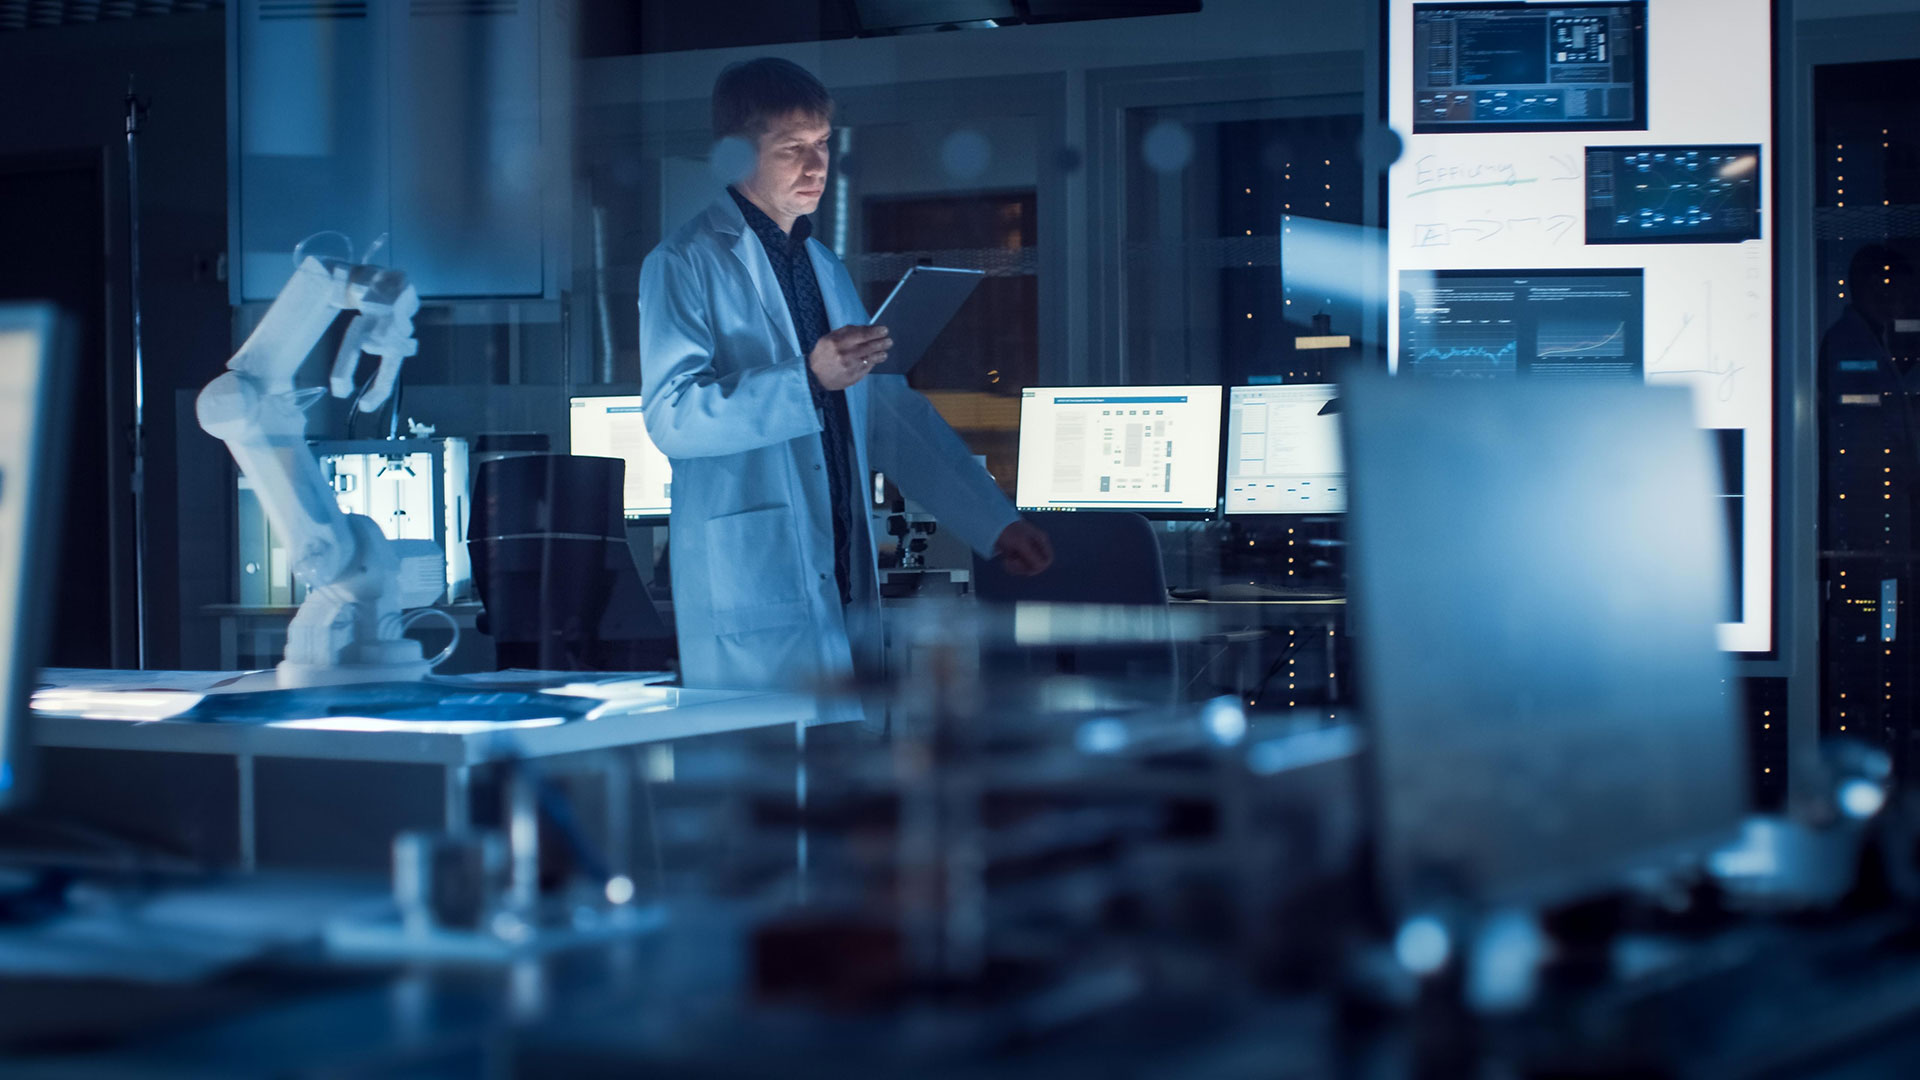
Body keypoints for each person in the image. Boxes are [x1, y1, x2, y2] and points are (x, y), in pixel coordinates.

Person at [638, 57, 1053, 696]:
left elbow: (885, 413)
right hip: (755, 582)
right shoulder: (684, 262)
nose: (815, 167)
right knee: (773, 788)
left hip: (840, 573)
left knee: (845, 782)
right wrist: (807, 379)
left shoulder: (821, 265)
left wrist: (992, 523)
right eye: (791, 149)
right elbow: (672, 417)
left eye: (823, 144)